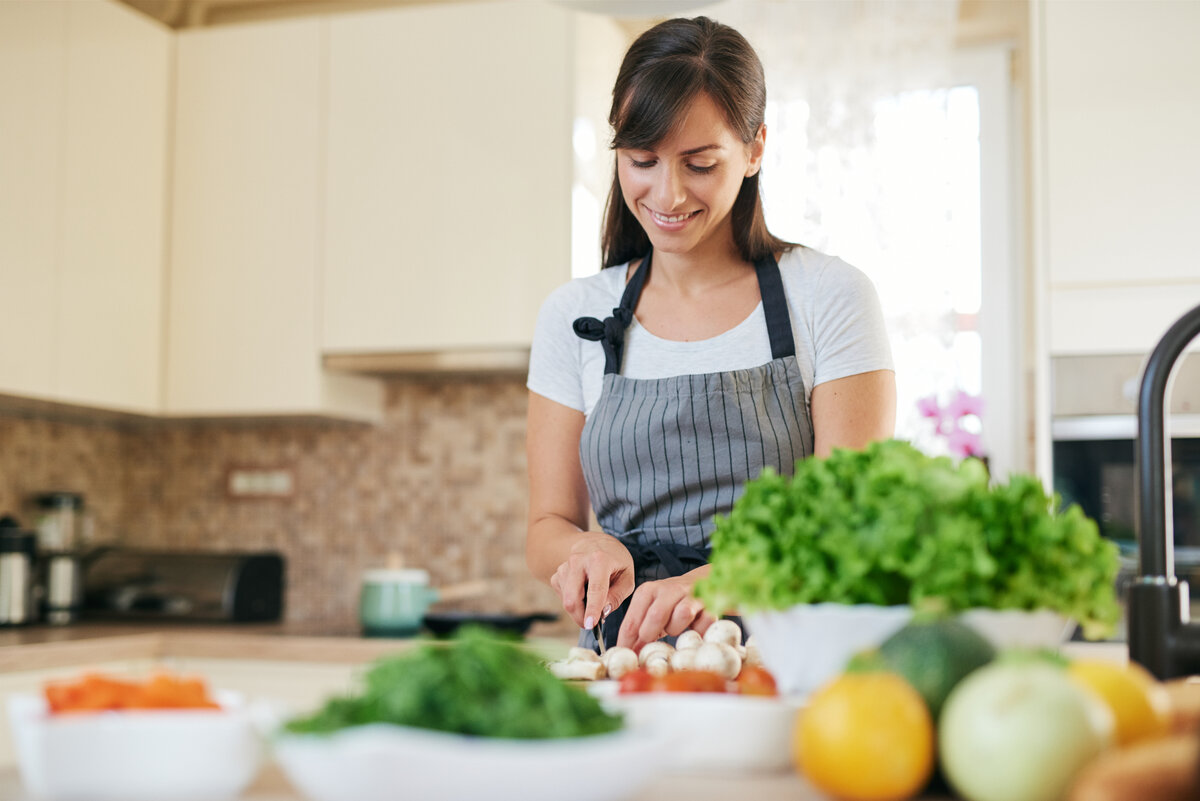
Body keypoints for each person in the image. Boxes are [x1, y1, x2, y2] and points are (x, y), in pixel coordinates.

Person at [525, 16, 896, 654]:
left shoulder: (829, 295)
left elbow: (847, 524)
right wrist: (584, 545)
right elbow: (545, 526)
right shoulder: (572, 313)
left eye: (699, 164)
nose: (666, 194)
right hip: (625, 665)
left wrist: (724, 581)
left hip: (786, 661)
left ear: (754, 149)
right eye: (642, 161)